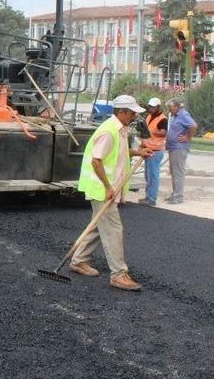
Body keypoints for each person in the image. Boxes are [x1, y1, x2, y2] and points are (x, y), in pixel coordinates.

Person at [70, 95, 154, 292]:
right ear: (121, 112)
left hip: (105, 188)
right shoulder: (109, 131)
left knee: (99, 226)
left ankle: (79, 260)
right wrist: (107, 186)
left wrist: (138, 153)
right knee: (113, 230)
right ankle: (118, 274)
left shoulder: (120, 129)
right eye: (132, 112)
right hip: (101, 189)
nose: (135, 116)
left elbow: (119, 152)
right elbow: (96, 160)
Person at [165, 98, 198, 204]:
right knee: (174, 172)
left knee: (178, 172)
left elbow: (193, 125)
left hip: (179, 148)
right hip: (173, 147)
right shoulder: (174, 116)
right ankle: (175, 194)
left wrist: (187, 137)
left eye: (170, 107)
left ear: (176, 106)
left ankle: (178, 196)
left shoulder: (183, 115)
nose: (169, 110)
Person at [139, 97, 167, 206]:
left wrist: (151, 132)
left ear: (158, 107)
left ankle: (152, 198)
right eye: (150, 106)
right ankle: (148, 196)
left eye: (153, 107)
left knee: (153, 176)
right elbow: (145, 133)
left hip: (155, 151)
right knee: (148, 175)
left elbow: (164, 133)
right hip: (148, 148)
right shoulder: (149, 116)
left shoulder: (163, 119)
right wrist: (142, 144)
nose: (150, 108)